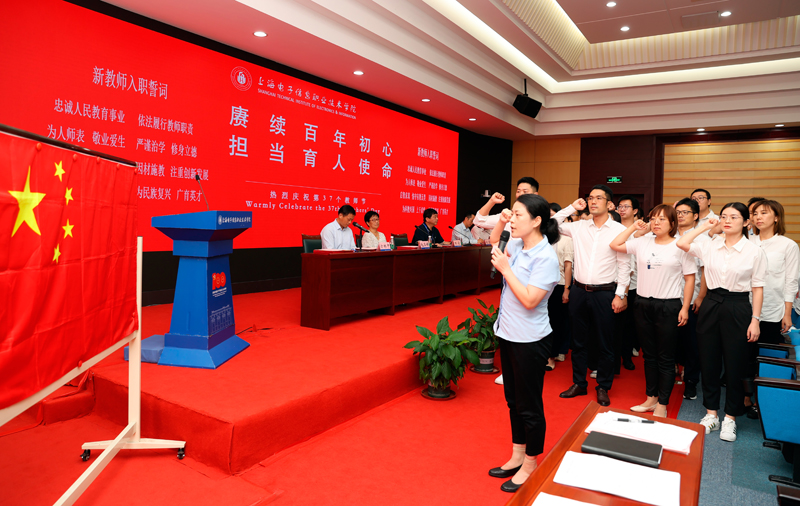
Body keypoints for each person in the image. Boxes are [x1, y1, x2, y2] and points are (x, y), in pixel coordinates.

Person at [486, 194, 560, 493]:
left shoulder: (546, 257)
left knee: (529, 405)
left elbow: (530, 300)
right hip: (508, 333)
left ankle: (530, 462)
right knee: (513, 401)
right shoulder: (517, 244)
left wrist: (507, 270)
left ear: (537, 220)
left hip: (530, 340)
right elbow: (494, 243)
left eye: (518, 215)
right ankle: (517, 454)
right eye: (512, 214)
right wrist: (501, 222)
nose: (512, 220)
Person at [677, 203, 767, 442]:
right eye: (724, 216)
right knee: (709, 361)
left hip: (738, 306)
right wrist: (705, 227)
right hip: (711, 303)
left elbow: (757, 288)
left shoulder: (754, 251)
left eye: (734, 217)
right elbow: (682, 243)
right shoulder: (711, 245)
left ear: (746, 222)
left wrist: (755, 320)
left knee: (735, 364)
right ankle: (711, 414)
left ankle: (730, 418)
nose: (727, 220)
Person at [610, 206, 696, 418]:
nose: (656, 223)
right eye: (653, 219)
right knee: (649, 356)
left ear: (673, 223)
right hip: (642, 304)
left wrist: (685, 307)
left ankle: (662, 404)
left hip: (668, 305)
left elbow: (690, 279)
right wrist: (634, 227)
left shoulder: (680, 246)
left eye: (662, 219)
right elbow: (615, 244)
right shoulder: (643, 242)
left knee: (665, 357)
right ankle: (651, 398)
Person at [553, 185, 631, 407]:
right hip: (579, 291)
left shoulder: (618, 230)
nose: (593, 201)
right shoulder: (578, 227)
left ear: (609, 203)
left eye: (599, 198)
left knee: (605, 343)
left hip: (605, 293)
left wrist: (620, 294)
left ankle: (603, 386)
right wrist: (571, 207)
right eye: (590, 198)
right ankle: (579, 383)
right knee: (578, 342)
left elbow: (624, 265)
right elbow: (550, 224)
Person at [673, 198, 709, 401]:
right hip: (668, 296)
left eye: (685, 212)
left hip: (693, 297)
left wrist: (701, 296)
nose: (680, 215)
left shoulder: (703, 240)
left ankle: (691, 382)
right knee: (671, 340)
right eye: (678, 212)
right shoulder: (668, 235)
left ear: (695, 216)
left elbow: (706, 271)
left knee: (692, 343)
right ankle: (671, 373)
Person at [546, 203, 573, 371]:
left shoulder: (566, 240)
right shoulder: (541, 238)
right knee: (543, 321)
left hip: (559, 285)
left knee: (556, 321)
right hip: (541, 285)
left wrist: (567, 289)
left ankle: (552, 355)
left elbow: (568, 266)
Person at [616, 195, 640, 369]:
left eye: (626, 206)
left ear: (635, 211)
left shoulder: (641, 232)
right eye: (620, 206)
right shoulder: (613, 229)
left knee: (630, 323)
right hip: (614, 282)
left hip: (635, 284)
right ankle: (615, 357)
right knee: (615, 324)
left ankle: (627, 355)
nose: (622, 209)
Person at [473, 177, 539, 232]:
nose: (520, 194)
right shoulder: (507, 216)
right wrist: (491, 201)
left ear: (535, 195)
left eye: (525, 191)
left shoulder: (539, 217)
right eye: (518, 191)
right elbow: (478, 222)